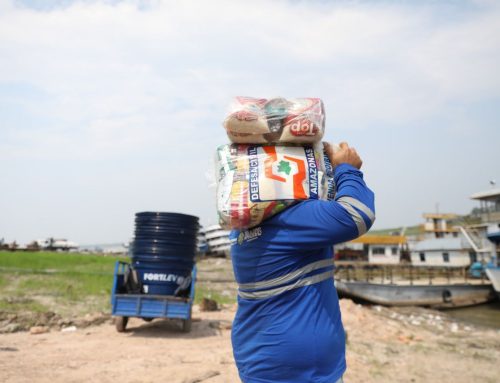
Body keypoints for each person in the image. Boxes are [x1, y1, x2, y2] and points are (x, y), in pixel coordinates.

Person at [229, 142, 375, 383]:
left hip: (261, 363)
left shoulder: (244, 229)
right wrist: (346, 169)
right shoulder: (291, 220)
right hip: (301, 375)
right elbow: (357, 214)